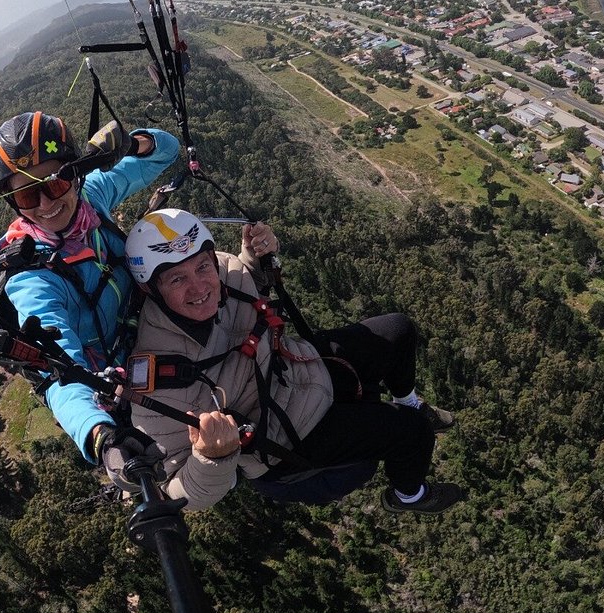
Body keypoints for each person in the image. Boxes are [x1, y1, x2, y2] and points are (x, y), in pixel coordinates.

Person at [118, 207, 465, 513]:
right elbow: (178, 493)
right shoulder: (158, 384)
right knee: (411, 432)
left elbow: (246, 282)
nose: (199, 287)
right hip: (281, 440)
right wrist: (213, 457)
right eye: (177, 278)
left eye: (201, 267)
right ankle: (409, 495)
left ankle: (411, 402)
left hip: (293, 367)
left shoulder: (223, 270)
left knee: (397, 330)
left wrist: (258, 255)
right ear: (151, 289)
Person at [0, 111, 179, 465]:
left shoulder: (93, 198)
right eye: (28, 196)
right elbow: (58, 369)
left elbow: (166, 151)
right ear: (12, 202)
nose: (46, 204)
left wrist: (130, 145)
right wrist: (101, 435)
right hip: (127, 385)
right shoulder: (32, 278)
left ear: (75, 174)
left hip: (157, 328)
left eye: (55, 182)